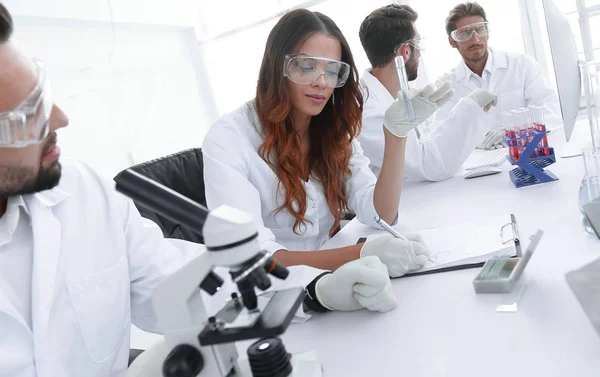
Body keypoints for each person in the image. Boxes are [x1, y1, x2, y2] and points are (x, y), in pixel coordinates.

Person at [0, 5, 399, 376]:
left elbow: (184, 281)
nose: (61, 118)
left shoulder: (84, 193)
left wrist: (314, 291)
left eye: (44, 95)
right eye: (25, 114)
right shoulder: (233, 137)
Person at [202, 9, 442, 277]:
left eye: (332, 71)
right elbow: (252, 258)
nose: (321, 83)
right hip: (280, 296)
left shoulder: (332, 129)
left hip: (338, 279)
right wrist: (360, 254)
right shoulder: (229, 138)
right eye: (306, 67)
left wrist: (396, 136)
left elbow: (380, 213)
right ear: (276, 65)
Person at [358, 4, 499, 181]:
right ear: (405, 51)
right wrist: (470, 106)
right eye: (418, 43)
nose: (421, 53)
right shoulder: (370, 112)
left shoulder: (384, 97)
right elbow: (430, 166)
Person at [435, 2, 562, 149]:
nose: (475, 39)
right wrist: (474, 141)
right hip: (478, 164)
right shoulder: (446, 85)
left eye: (480, 30)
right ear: (452, 41)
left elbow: (551, 113)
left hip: (525, 154)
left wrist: (513, 133)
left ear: (487, 32)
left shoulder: (522, 65)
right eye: (464, 33)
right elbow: (441, 135)